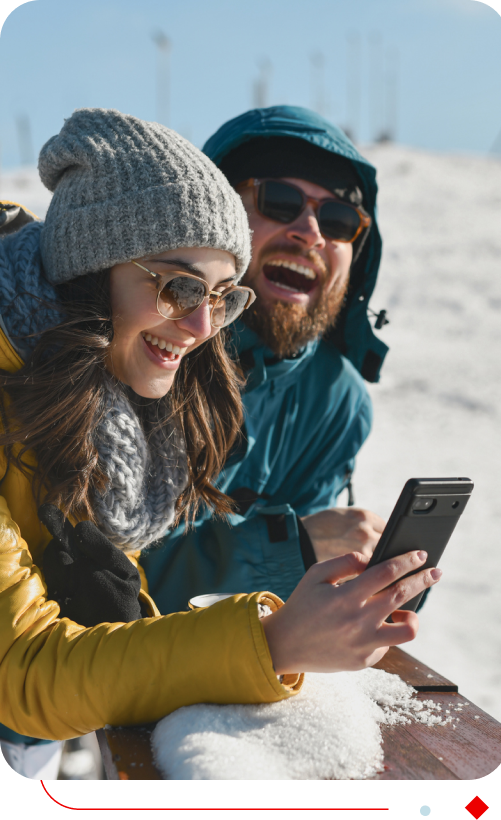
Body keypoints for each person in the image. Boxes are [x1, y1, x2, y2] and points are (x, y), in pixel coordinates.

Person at [0, 108, 440, 780]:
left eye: (340, 221)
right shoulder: (134, 365)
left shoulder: (145, 366)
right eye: (282, 200)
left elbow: (106, 582)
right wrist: (276, 618)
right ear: (92, 270)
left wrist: (329, 603)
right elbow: (30, 666)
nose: (201, 324)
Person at [141, 106, 417, 615]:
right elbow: (98, 586)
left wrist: (359, 582)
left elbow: (284, 607)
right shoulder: (146, 348)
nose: (311, 233)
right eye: (281, 201)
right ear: (212, 213)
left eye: (338, 220)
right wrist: (296, 549)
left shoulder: (336, 399)